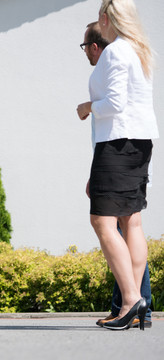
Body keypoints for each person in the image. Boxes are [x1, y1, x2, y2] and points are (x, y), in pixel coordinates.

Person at [76, 0, 159, 330]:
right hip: (140, 143)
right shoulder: (139, 50)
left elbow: (114, 104)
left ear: (108, 19)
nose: (99, 21)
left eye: (100, 16)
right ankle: (136, 301)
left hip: (119, 144)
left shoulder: (114, 52)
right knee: (132, 222)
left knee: (102, 221)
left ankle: (129, 300)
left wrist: (87, 106)